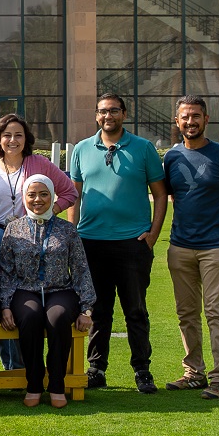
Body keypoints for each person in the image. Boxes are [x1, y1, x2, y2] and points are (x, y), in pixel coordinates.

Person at [67, 92, 169, 394]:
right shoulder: (82, 149)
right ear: (96, 115)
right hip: (91, 242)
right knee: (98, 311)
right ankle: (96, 369)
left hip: (132, 244)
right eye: (102, 111)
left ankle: (142, 370)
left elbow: (161, 194)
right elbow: (75, 195)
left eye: (113, 111)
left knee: (135, 309)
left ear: (124, 114)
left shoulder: (144, 148)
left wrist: (153, 234)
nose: (107, 116)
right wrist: (73, 235)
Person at [0, 112, 76, 369]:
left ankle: (34, 366)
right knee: (2, 302)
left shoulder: (40, 164)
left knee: (26, 300)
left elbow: (69, 192)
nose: (13, 140)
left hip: (33, 239)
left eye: (18, 135)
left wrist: (49, 212)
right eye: (7, 135)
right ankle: (13, 366)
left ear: (26, 138)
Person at [161, 96, 219, 400]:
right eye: (185, 117)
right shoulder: (171, 158)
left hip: (216, 246)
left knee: (215, 312)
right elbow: (173, 197)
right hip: (180, 246)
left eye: (196, 116)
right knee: (186, 313)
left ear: (206, 119)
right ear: (177, 121)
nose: (190, 122)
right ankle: (193, 372)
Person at [0, 175, 96, 408]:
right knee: (30, 317)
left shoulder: (67, 230)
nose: (38, 199)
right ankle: (33, 383)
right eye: (32, 194)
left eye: (43, 194)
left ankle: (57, 384)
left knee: (58, 317)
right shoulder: (14, 229)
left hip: (60, 289)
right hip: (25, 289)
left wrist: (87, 309)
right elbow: (6, 271)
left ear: (52, 197)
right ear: (24, 197)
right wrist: (4, 305)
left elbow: (81, 269)